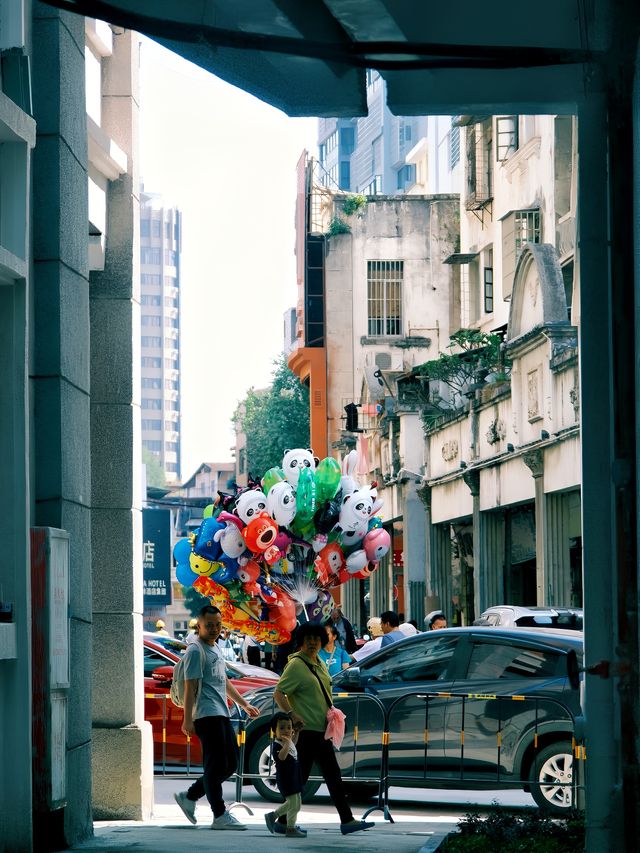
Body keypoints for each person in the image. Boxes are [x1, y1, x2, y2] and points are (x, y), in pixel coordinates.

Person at [273, 622, 375, 836]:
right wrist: (292, 714)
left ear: (322, 640)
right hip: (307, 730)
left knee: (321, 776)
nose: (312, 642)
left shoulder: (317, 661)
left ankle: (284, 819)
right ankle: (284, 819)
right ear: (301, 641)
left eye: (316, 638)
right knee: (313, 777)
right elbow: (279, 693)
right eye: (308, 638)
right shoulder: (297, 665)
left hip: (322, 728)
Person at [174, 605, 260, 830]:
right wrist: (187, 719)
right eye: (209, 625)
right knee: (216, 765)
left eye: (217, 625)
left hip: (221, 711)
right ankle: (219, 815)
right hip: (205, 714)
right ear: (199, 625)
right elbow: (190, 685)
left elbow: (225, 682)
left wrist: (245, 704)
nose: (214, 629)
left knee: (229, 764)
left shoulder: (216, 649)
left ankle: (190, 796)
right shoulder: (195, 650)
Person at [264, 712, 306, 838]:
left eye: (289, 727)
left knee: (296, 804)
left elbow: (294, 744)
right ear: (274, 731)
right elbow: (281, 757)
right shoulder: (277, 745)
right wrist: (287, 743)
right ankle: (290, 827)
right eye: (281, 728)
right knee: (293, 803)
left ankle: (273, 816)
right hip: (286, 779)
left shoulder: (289, 742)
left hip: (294, 777)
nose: (286, 731)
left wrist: (296, 733)